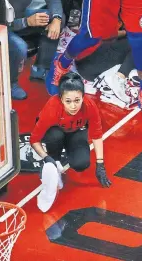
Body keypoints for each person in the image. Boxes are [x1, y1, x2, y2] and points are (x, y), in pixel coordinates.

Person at [30, 72, 111, 211]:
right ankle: (55, 165)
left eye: (77, 100)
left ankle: (69, 152)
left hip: (76, 131)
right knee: (55, 136)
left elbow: (97, 135)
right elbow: (34, 139)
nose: (73, 106)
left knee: (81, 163)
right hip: (56, 132)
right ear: (61, 98)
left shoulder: (90, 106)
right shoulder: (52, 108)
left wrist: (100, 164)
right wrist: (46, 157)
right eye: (68, 101)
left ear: (83, 97)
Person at [6, 0, 64, 100]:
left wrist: (56, 20)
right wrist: (27, 22)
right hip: (2, 27)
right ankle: (11, 83)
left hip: (21, 19)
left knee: (57, 17)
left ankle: (40, 68)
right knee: (20, 47)